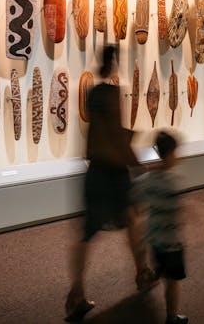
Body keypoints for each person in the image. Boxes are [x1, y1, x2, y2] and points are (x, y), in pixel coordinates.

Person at [65, 45, 155, 322]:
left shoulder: (93, 93)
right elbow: (115, 134)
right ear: (114, 63)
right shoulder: (113, 93)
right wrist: (137, 163)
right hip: (113, 172)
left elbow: (99, 131)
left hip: (95, 169)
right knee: (132, 219)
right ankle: (142, 272)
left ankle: (76, 293)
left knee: (89, 231)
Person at [132, 131, 189, 324]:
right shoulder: (172, 182)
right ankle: (172, 316)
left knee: (161, 268)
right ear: (171, 153)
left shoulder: (149, 179)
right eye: (176, 152)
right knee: (172, 282)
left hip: (154, 239)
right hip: (172, 242)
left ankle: (153, 276)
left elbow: (135, 196)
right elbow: (177, 211)